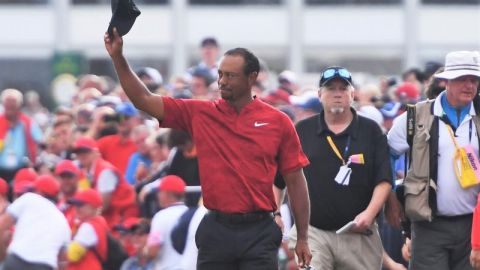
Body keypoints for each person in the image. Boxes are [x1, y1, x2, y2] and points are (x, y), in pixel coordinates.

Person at [105, 28, 312, 269]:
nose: (222, 81)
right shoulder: (200, 113)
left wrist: (303, 237)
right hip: (216, 228)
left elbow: (296, 181)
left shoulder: (278, 122)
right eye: (220, 74)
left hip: (259, 231)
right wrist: (118, 57)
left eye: (231, 76)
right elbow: (143, 99)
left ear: (252, 77)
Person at [289, 66, 392, 270]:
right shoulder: (302, 130)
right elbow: (281, 178)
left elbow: (384, 179)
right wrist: (275, 215)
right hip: (313, 232)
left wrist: (369, 214)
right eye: (330, 89)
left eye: (343, 89)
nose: (337, 93)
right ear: (320, 95)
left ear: (352, 94)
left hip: (358, 234)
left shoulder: (371, 130)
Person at [388, 50, 480, 270]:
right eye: (461, 79)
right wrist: (391, 197)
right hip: (428, 225)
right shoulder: (413, 117)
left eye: (473, 80)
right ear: (445, 81)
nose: (469, 85)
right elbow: (386, 157)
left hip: (474, 226)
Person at [0, 175, 71, 270]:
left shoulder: (30, 198)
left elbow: (1, 226)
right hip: (44, 265)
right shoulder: (63, 221)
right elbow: (63, 260)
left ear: (39, 192)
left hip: (17, 258)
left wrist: (3, 256)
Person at [73, 136, 138, 230]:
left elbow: (102, 205)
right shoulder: (84, 171)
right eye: (79, 153)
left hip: (122, 218)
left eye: (86, 151)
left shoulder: (105, 171)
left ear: (96, 152)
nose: (82, 155)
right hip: (110, 218)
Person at [146, 175, 188, 269]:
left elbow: (153, 250)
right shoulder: (191, 214)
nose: (158, 195)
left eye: (159, 192)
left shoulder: (161, 217)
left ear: (166, 193)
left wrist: (144, 251)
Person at [0, 88, 43, 182]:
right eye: (8, 103)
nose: (10, 107)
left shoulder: (28, 122)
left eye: (13, 103)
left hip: (22, 169)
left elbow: (40, 141)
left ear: (19, 105)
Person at [66, 189, 108, 270]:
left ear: (93, 207)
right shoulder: (99, 222)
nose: (76, 209)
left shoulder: (89, 226)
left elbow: (72, 255)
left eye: (80, 205)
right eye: (75, 205)